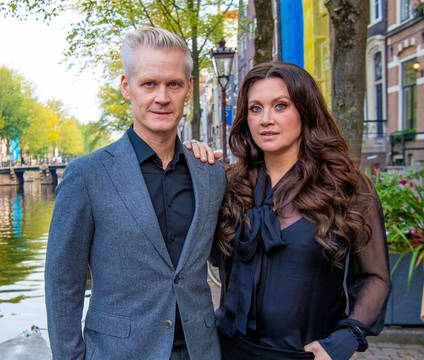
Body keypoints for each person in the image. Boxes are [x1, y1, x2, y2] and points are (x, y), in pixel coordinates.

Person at [45, 27, 224, 360]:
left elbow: (226, 262)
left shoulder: (210, 173)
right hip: (119, 351)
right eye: (149, 84)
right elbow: (62, 283)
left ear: (188, 90)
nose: (162, 97)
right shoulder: (87, 176)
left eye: (174, 84)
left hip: (201, 351)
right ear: (127, 87)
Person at [212, 62, 391, 360]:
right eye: (255, 108)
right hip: (229, 351)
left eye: (281, 106)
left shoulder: (346, 187)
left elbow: (375, 276)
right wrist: (190, 161)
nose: (266, 119)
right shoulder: (229, 185)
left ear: (305, 110)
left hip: (307, 354)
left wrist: (348, 338)